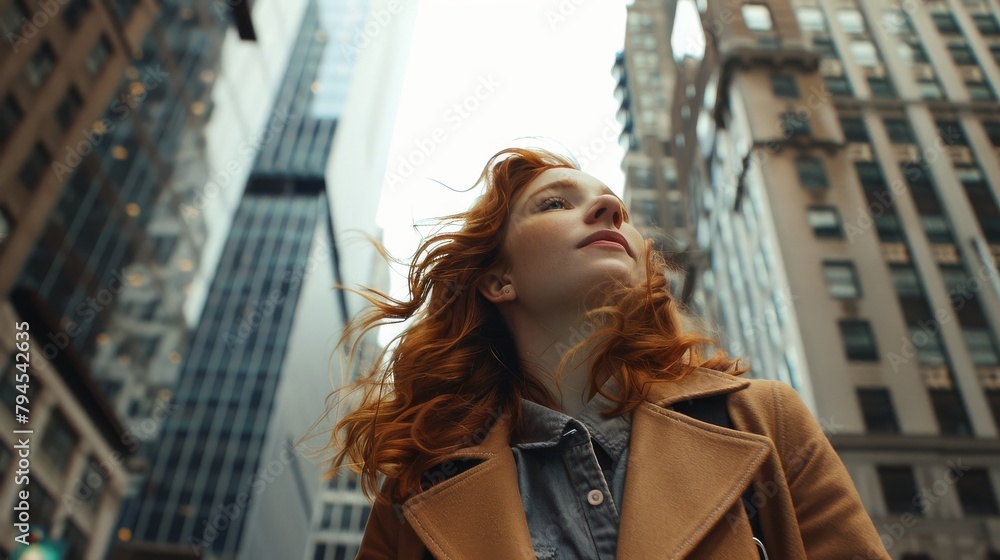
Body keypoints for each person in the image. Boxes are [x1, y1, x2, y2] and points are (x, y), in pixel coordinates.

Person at [317, 147, 890, 559]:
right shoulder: (418, 491)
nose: (610, 211)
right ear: (498, 280)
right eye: (555, 204)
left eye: (617, 206)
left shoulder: (766, 420)